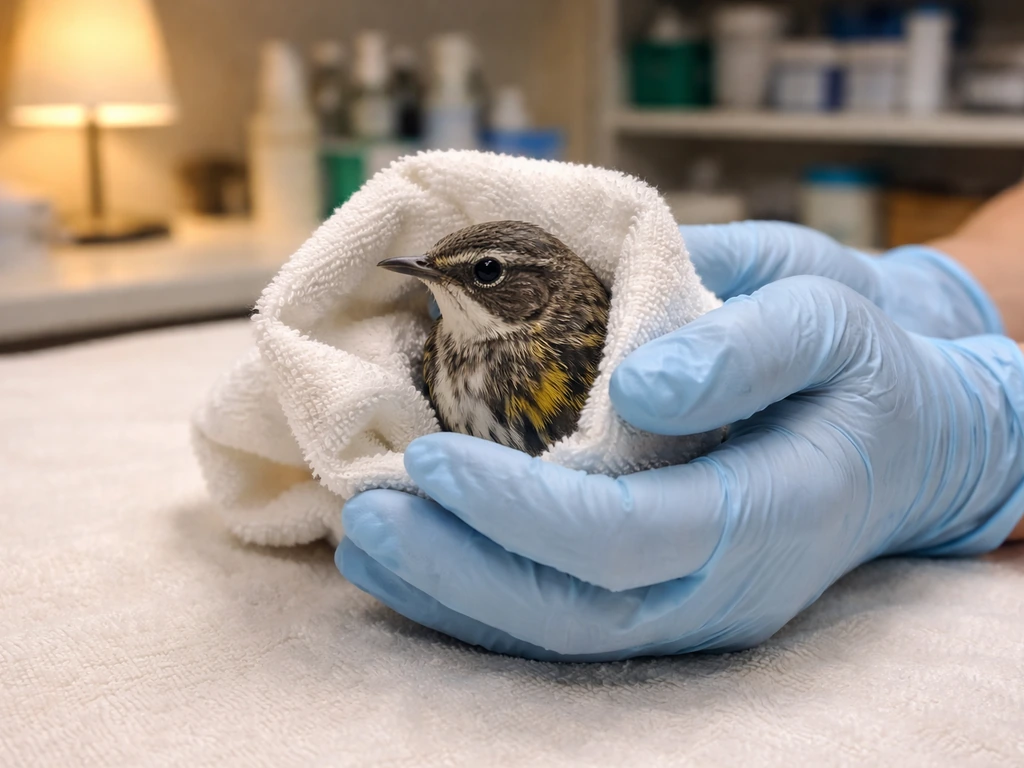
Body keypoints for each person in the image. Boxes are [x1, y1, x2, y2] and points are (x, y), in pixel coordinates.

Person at [335, 181, 1024, 662]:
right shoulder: (445, 347)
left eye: (485, 273)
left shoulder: (569, 353)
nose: (446, 282)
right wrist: (941, 289)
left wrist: (986, 436)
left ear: (538, 293)